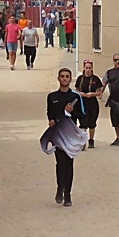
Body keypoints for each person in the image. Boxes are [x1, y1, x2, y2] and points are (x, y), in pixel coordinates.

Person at [43, 68, 87, 207]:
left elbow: (82, 115)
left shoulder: (75, 97)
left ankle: (67, 194)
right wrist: (51, 120)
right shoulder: (52, 96)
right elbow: (50, 113)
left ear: (70, 79)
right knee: (60, 164)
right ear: (58, 78)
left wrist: (73, 112)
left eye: (67, 77)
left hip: (70, 136)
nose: (64, 79)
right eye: (62, 76)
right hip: (57, 135)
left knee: (69, 165)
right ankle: (59, 188)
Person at [74, 59, 104, 148]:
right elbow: (76, 91)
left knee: (92, 122)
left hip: (92, 103)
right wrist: (81, 94)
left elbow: (100, 92)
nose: (88, 69)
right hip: (82, 103)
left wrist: (92, 94)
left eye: (89, 68)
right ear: (84, 68)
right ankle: (82, 142)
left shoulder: (95, 79)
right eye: (86, 67)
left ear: (92, 68)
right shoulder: (80, 79)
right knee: (83, 122)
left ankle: (91, 140)